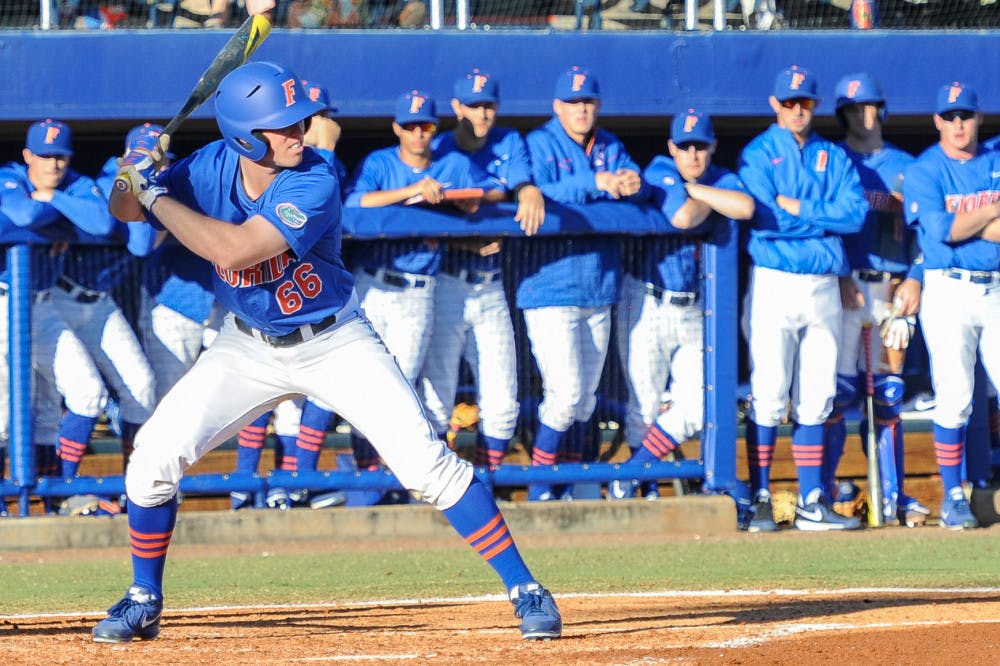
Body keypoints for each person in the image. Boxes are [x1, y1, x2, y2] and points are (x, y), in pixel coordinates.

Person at [91, 61, 560, 642]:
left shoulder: (313, 176)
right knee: (152, 458)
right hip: (247, 344)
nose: (301, 132)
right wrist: (133, 169)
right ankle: (144, 596)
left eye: (300, 120)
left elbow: (236, 252)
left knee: (426, 465)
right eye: (283, 126)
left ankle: (526, 587)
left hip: (335, 340)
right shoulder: (210, 164)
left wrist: (153, 189)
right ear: (243, 136)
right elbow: (125, 210)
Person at [342, 88, 500, 496]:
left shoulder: (453, 163)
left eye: (425, 126)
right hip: (373, 283)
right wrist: (413, 194)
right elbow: (354, 205)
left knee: (400, 385)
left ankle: (389, 479)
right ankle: (365, 479)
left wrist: (456, 203)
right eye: (409, 126)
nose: (417, 134)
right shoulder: (379, 162)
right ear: (397, 128)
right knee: (360, 383)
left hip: (419, 290)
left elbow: (489, 197)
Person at [738, 66, 868, 532]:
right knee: (770, 391)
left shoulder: (831, 155)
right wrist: (820, 219)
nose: (797, 109)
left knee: (817, 393)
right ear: (775, 104)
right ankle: (759, 497)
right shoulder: (758, 152)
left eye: (805, 102)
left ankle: (812, 498)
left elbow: (854, 215)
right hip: (774, 279)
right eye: (789, 102)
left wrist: (801, 209)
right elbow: (765, 216)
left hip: (823, 284)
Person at [610, 108, 754, 499]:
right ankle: (647, 492)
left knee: (696, 407)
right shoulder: (659, 168)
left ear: (712, 147)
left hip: (694, 309)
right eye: (685, 146)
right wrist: (709, 200)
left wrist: (698, 191)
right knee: (643, 408)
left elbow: (745, 207)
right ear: (672, 147)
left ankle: (628, 477)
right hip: (647, 300)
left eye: (700, 147)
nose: (692, 155)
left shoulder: (721, 177)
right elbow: (682, 217)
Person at [522, 66, 648, 501]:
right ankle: (539, 489)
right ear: (558, 107)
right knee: (565, 394)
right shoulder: (538, 142)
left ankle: (567, 486)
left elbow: (635, 182)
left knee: (585, 400)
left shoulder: (610, 144)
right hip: (549, 288)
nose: (582, 108)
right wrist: (595, 182)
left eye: (588, 102)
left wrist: (632, 183)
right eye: (574, 102)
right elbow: (535, 188)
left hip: (599, 287)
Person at [418, 68, 543, 469]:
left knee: (504, 399)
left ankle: (487, 482)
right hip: (447, 283)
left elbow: (520, 184)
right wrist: (468, 233)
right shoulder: (438, 148)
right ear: (457, 108)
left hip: (490, 285)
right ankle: (437, 482)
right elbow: (420, 217)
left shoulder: (510, 141)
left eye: (488, 105)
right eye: (473, 106)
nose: (482, 113)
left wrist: (528, 190)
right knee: (437, 395)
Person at [821, 73, 930, 527]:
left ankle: (893, 497)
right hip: (844, 286)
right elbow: (821, 225)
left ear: (881, 109)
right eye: (852, 108)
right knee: (836, 392)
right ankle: (822, 493)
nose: (861, 115)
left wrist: (917, 278)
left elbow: (929, 232)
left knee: (887, 395)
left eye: (867, 106)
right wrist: (839, 271)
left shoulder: (908, 166)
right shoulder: (831, 160)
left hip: (891, 285)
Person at [902, 81, 1000, 530]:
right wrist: (989, 214)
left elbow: (960, 225)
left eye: (966, 115)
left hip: (995, 284)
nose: (958, 124)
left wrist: (968, 223)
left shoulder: (995, 158)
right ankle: (953, 495)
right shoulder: (925, 169)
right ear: (938, 120)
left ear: (979, 117)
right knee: (956, 395)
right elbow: (942, 230)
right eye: (950, 116)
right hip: (948, 287)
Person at [0, 119, 110, 510]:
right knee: (3, 412)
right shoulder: (8, 176)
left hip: (42, 305)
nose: (53, 164)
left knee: (88, 393)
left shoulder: (72, 183)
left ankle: (60, 492)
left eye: (60, 156)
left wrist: (52, 198)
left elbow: (101, 222)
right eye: (44, 156)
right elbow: (21, 215)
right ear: (27, 155)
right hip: (2, 303)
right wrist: (62, 215)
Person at [61, 123, 160, 477]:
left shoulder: (158, 187)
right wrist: (142, 186)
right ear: (125, 159)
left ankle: (133, 483)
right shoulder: (102, 184)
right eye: (144, 158)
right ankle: (62, 487)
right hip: (56, 299)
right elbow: (138, 242)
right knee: (72, 396)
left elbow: (141, 245)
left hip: (99, 302)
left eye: (158, 159)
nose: (153, 166)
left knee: (142, 386)